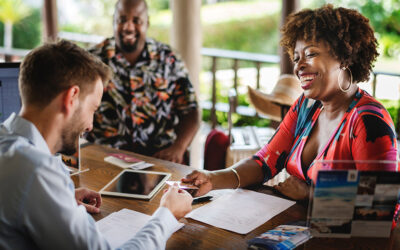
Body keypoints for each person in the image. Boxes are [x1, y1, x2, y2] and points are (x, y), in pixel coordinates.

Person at [182, 4, 398, 201]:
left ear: (344, 57)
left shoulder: (369, 121)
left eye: (310, 53)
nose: (299, 66)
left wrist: (311, 194)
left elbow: (384, 203)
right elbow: (265, 162)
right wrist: (212, 179)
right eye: (296, 57)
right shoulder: (306, 106)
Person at [0, 40, 193, 249]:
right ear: (71, 97)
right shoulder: (36, 172)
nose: (90, 126)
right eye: (93, 108)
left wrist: (57, 200)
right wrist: (167, 215)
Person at [86, 0, 200, 164]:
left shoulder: (169, 59)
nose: (128, 27)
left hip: (158, 159)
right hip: (105, 159)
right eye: (122, 19)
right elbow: (76, 109)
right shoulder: (92, 61)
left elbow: (190, 111)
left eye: (136, 20)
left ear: (147, 23)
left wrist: (179, 147)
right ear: (114, 21)